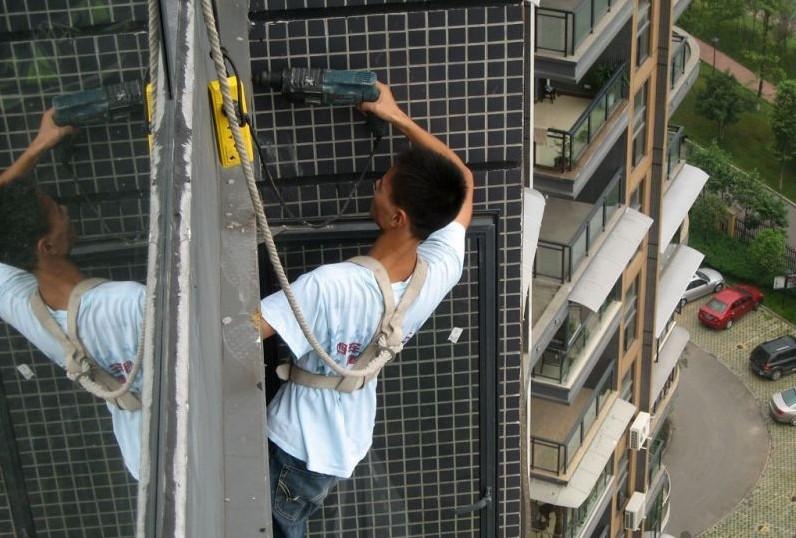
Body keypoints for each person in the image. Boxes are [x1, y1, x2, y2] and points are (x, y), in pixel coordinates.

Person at [255, 81, 474, 537]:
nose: (377, 183)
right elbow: (463, 182)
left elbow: (240, 334)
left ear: (397, 218)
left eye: (385, 186)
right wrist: (395, 116)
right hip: (340, 445)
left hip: (295, 447)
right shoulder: (437, 271)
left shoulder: (332, 285)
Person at [0, 109, 144, 480]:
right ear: (46, 245)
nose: (65, 209)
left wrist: (38, 147)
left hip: (142, 460)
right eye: (57, 211)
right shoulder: (128, 303)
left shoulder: (22, 305)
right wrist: (37, 146)